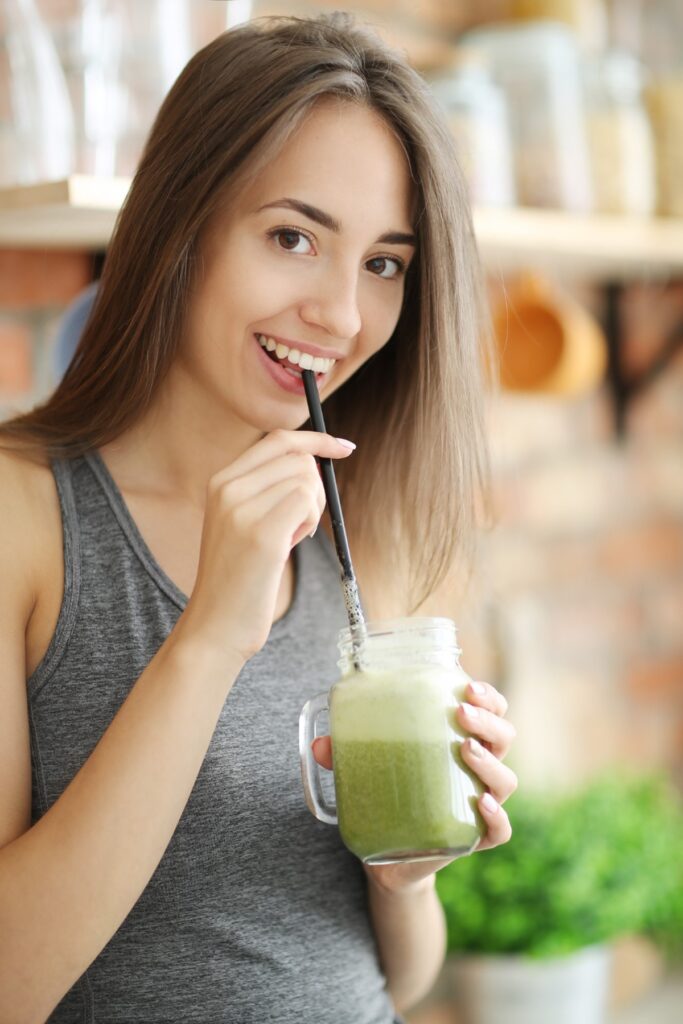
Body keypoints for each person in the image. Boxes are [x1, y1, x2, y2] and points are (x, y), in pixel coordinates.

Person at [0, 13, 517, 1023]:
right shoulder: (25, 513)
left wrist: (404, 868)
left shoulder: (363, 528)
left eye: (383, 263)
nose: (340, 314)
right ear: (179, 224)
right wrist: (208, 638)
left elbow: (394, 975)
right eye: (293, 237)